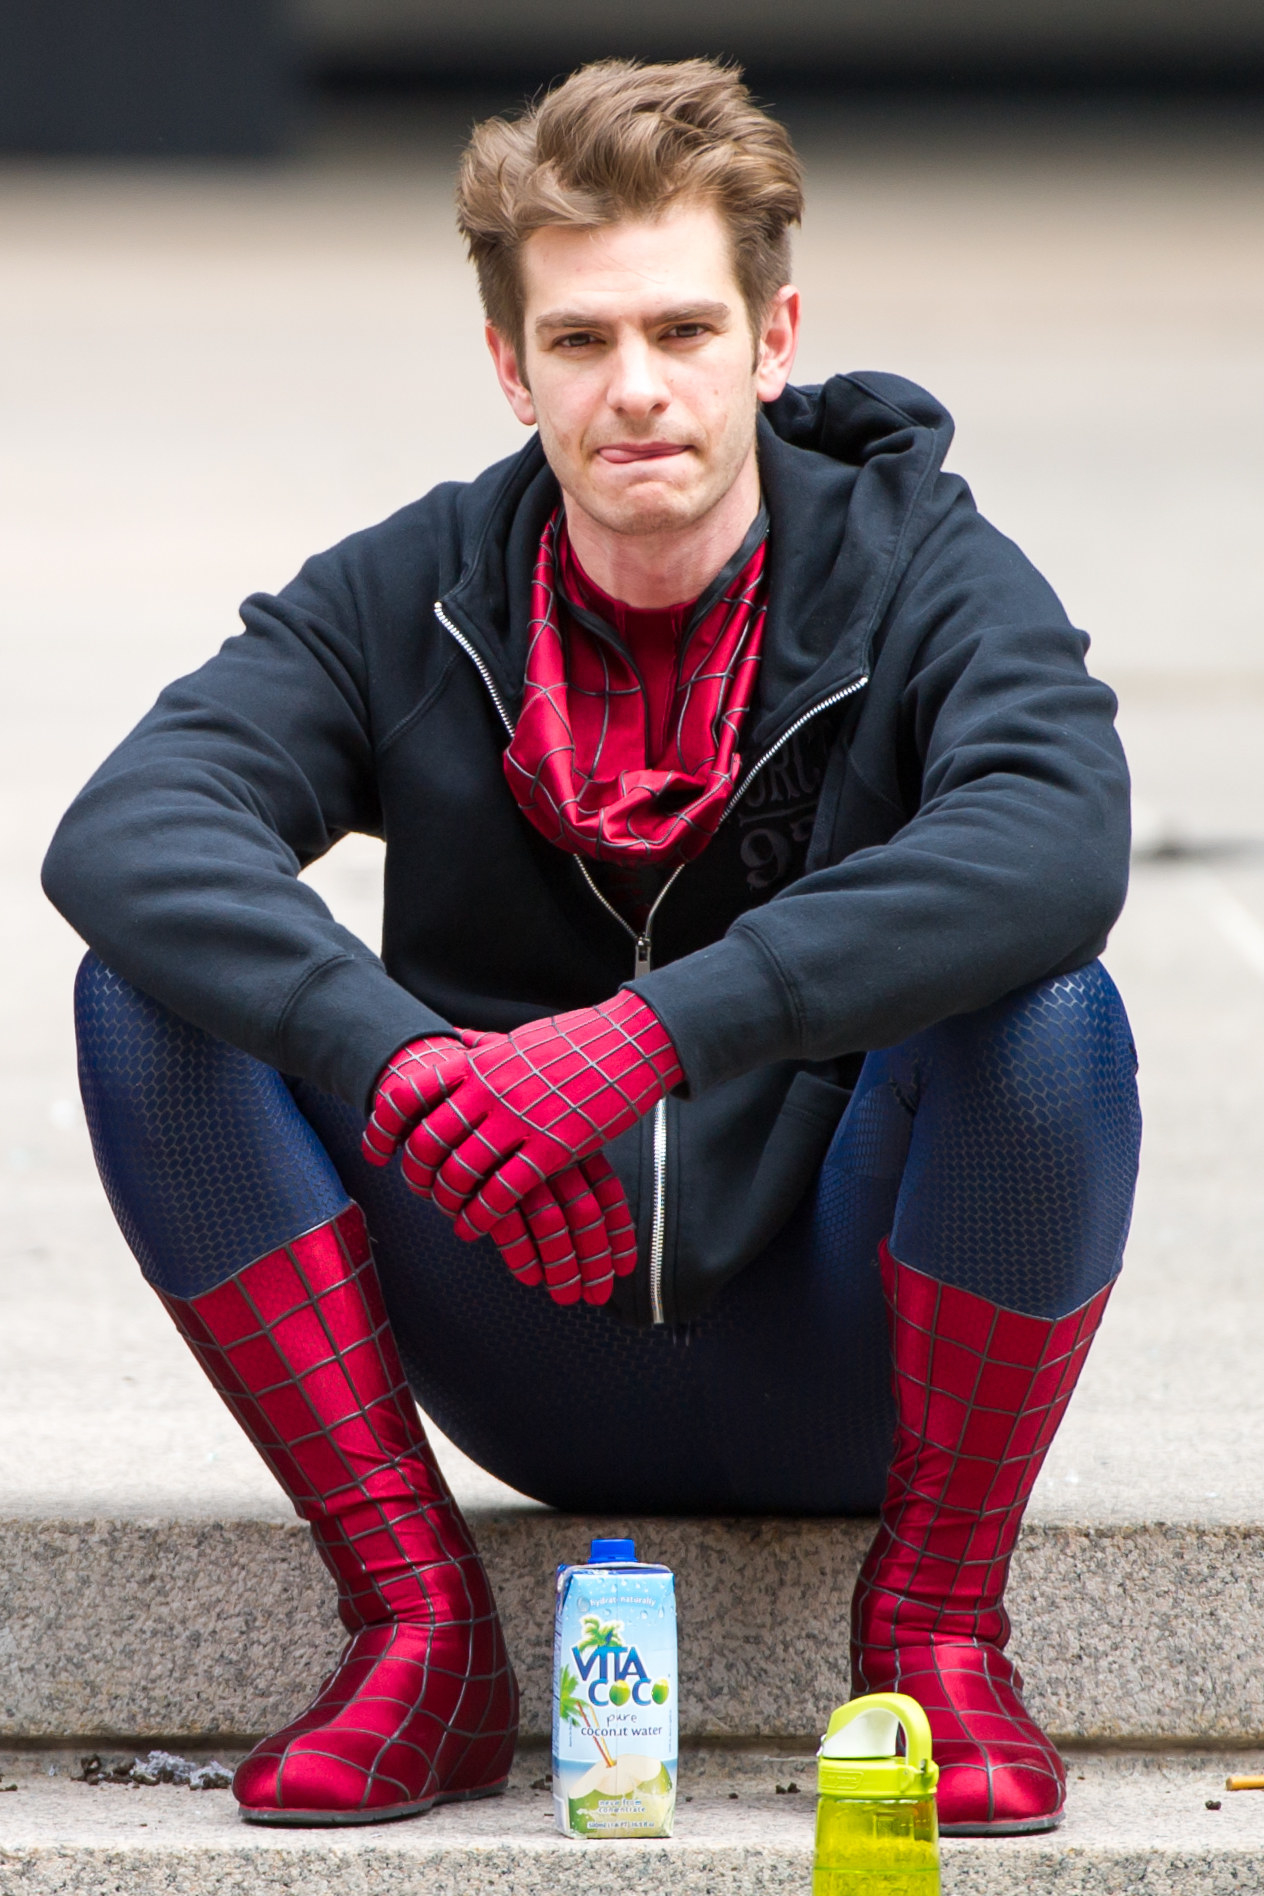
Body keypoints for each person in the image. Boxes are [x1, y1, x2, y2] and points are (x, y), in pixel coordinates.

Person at [42, 58, 1140, 1837]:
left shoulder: (925, 567)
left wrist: (641, 1041)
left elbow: (1056, 840)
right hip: (515, 1305)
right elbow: (132, 827)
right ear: (509, 362)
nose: (636, 389)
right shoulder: (413, 588)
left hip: (838, 1326)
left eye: (685, 329)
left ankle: (938, 1631)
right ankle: (419, 1635)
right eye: (577, 340)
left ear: (775, 337)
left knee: (1046, 1015)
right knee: (155, 990)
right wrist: (409, 1074)